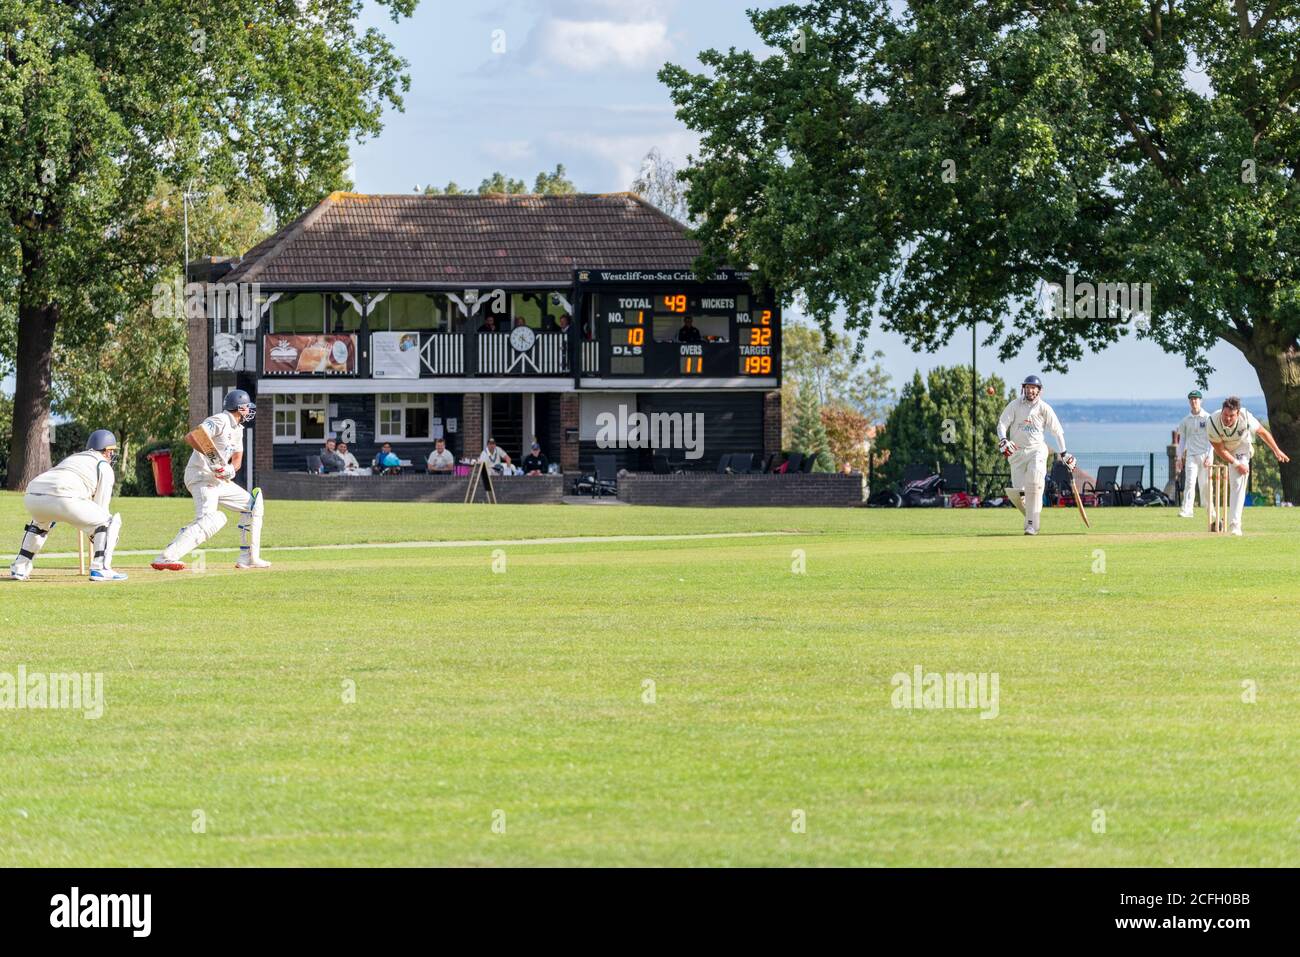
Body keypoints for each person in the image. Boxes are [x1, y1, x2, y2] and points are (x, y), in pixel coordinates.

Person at [152, 389, 270, 571]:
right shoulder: (220, 420)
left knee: (253, 504)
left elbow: (237, 458)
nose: (249, 411)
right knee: (211, 519)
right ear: (239, 408)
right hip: (201, 476)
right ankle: (166, 557)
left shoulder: (238, 429)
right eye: (247, 407)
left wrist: (230, 470)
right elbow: (194, 436)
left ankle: (248, 557)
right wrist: (214, 461)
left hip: (219, 481)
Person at [10, 430, 127, 582]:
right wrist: (96, 535)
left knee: (40, 523)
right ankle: (101, 568)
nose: (112, 455)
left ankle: (19, 567)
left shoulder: (76, 457)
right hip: (63, 496)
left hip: (32, 495)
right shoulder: (103, 465)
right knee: (109, 522)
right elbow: (100, 509)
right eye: (111, 451)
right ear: (106, 451)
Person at [996, 375, 1076, 536]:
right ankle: (1032, 516)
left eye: (1033, 388)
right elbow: (1002, 424)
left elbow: (1057, 431)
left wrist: (1064, 453)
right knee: (1020, 493)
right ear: (1023, 388)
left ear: (1039, 390)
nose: (1030, 390)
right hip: (1017, 453)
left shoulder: (1044, 408)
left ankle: (1031, 525)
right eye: (1028, 387)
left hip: (1037, 450)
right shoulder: (1015, 405)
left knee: (1035, 482)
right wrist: (1004, 440)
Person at [1207, 395, 1290, 536]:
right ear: (1222, 411)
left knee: (1238, 481)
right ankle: (1232, 522)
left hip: (1242, 446)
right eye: (1225, 414)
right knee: (1236, 477)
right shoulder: (1213, 422)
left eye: (1231, 416)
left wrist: (1276, 450)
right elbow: (1219, 449)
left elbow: (1263, 433)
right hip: (1226, 448)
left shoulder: (1246, 417)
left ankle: (1235, 525)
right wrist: (1235, 463)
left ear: (1238, 414)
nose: (1227, 418)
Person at [1175, 390, 1213, 519]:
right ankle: (1187, 510)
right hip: (1191, 456)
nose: (1194, 401)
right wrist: (1179, 458)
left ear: (1200, 401)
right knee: (1190, 483)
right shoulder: (1185, 420)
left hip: (1205, 456)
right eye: (1191, 399)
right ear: (1189, 401)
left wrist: (1209, 456)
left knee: (1205, 485)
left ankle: (1210, 510)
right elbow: (1182, 441)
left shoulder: (1208, 418)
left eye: (1196, 399)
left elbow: (1212, 439)